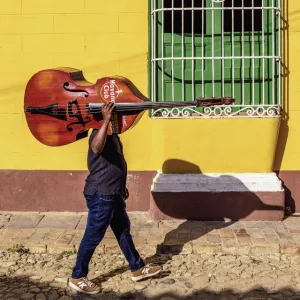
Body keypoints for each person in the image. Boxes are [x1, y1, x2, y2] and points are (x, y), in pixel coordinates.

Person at [68, 102, 161, 294]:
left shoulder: (113, 135)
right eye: (115, 117)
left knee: (123, 231)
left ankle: (137, 268)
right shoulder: (98, 132)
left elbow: (114, 163)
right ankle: (77, 276)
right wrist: (106, 120)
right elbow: (95, 148)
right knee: (93, 236)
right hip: (102, 194)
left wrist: (121, 186)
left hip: (113, 192)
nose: (120, 121)